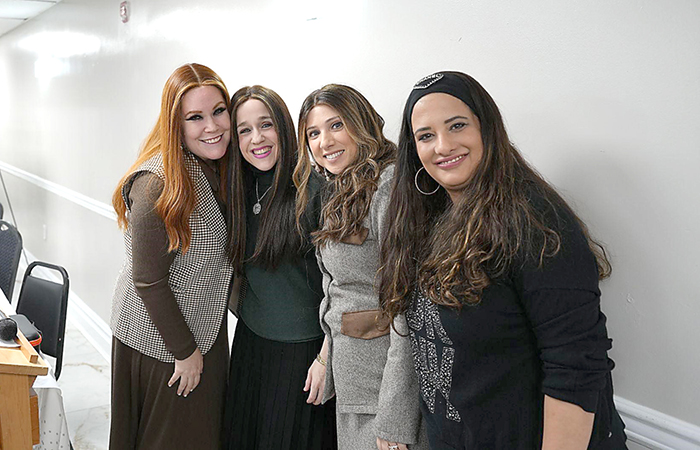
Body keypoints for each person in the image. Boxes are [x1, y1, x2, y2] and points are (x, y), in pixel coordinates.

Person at [378, 71, 628, 449]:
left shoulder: (536, 223)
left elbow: (575, 368)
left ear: (487, 128)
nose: (443, 145)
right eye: (426, 136)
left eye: (457, 125)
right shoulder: (427, 218)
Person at [294, 84, 428, 450]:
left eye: (336, 125)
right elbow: (342, 289)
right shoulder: (342, 186)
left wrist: (396, 418)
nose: (325, 142)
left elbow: (407, 306)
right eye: (313, 133)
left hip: (384, 396)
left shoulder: (388, 187)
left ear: (361, 123)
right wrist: (326, 356)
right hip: (356, 388)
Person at [109, 63, 233, 449]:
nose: (211, 126)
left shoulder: (216, 167)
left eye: (219, 111)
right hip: (162, 342)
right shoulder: (155, 184)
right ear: (175, 124)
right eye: (195, 117)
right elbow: (148, 280)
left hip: (206, 330)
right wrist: (185, 352)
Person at [221, 85, 336, 450]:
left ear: (284, 127)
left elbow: (343, 287)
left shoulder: (315, 190)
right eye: (244, 130)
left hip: (303, 355)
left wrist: (326, 359)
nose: (256, 138)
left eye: (266, 124)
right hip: (250, 345)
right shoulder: (239, 188)